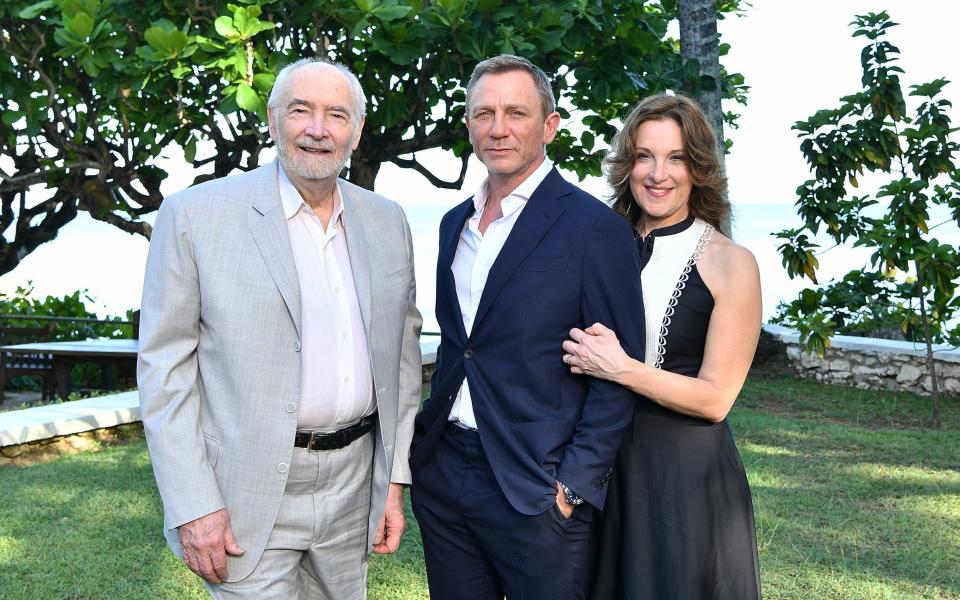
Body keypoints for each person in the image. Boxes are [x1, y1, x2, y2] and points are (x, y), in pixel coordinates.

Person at [137, 58, 422, 599]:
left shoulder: (388, 221)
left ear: (356, 132)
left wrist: (394, 481)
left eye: (336, 115)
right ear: (272, 120)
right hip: (245, 492)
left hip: (353, 487)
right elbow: (164, 372)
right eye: (301, 110)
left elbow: (402, 364)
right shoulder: (195, 216)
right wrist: (194, 501)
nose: (318, 129)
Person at [408, 54, 645, 600]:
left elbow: (621, 370)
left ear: (550, 125)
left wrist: (571, 487)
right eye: (483, 113)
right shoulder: (453, 224)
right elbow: (458, 346)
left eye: (516, 112)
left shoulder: (595, 229)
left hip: (536, 486)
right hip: (446, 474)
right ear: (468, 124)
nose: (498, 128)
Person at [561, 93, 762, 599]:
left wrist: (620, 369)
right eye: (645, 156)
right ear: (627, 165)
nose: (658, 173)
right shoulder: (597, 244)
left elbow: (716, 399)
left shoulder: (729, 262)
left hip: (683, 479)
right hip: (598, 466)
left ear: (698, 168)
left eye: (675, 158)